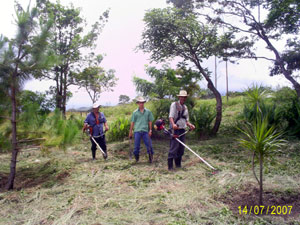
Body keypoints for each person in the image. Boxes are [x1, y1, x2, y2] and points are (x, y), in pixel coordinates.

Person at [168, 90, 195, 170]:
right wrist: (173, 125)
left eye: (184, 97)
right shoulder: (174, 105)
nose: (183, 98)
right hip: (175, 129)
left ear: (186, 98)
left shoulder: (185, 107)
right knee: (174, 148)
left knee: (181, 148)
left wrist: (190, 125)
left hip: (183, 129)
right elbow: (171, 117)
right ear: (179, 97)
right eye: (181, 97)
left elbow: (186, 120)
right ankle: (170, 167)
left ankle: (178, 164)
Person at [129, 96, 154, 163]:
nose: (141, 104)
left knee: (149, 145)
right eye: (140, 103)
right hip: (137, 131)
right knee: (136, 146)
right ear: (138, 103)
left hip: (145, 131)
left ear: (144, 103)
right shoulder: (135, 112)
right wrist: (130, 131)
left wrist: (150, 130)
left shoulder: (148, 112)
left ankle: (150, 157)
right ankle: (136, 158)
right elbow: (132, 122)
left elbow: (150, 121)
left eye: (142, 103)